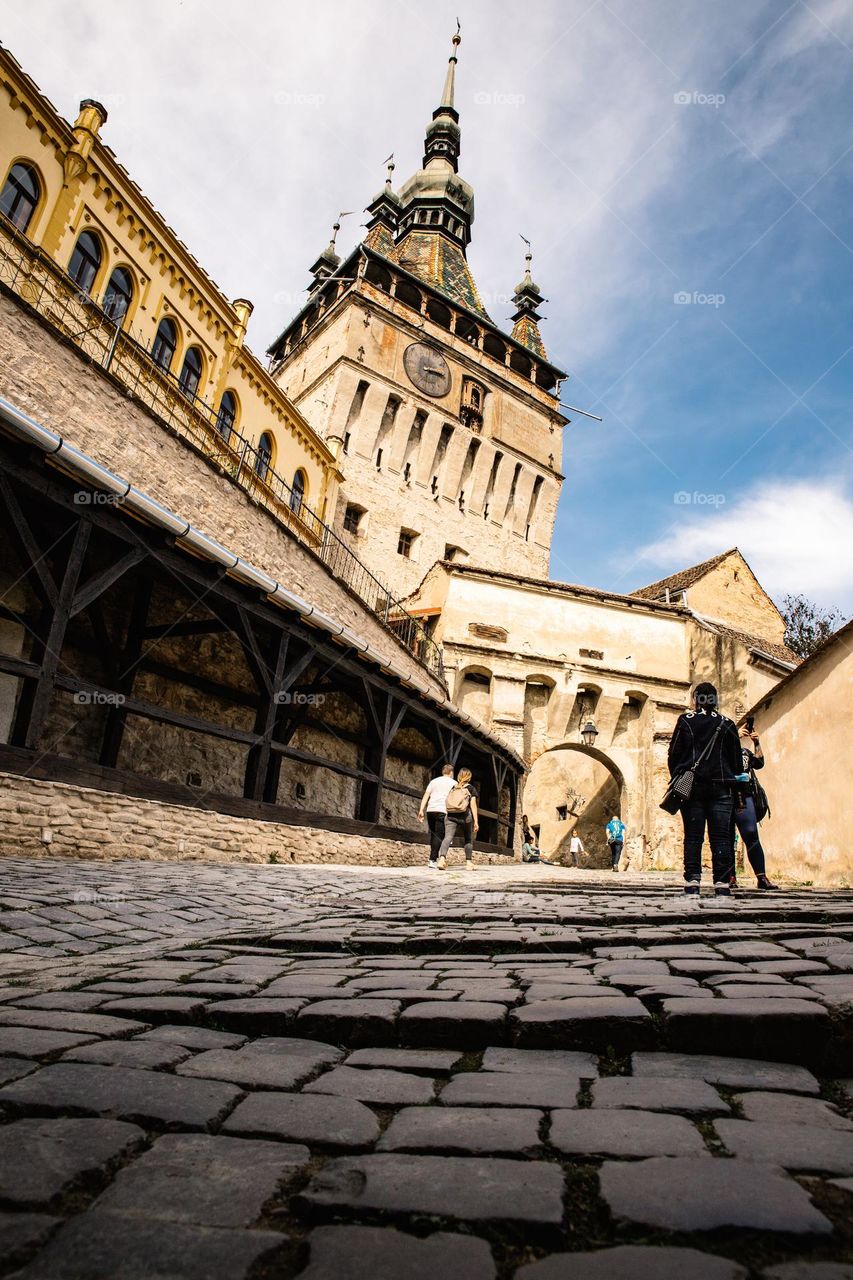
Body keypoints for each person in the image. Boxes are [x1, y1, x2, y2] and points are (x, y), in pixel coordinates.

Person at [668, 681, 743, 897]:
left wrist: (681, 774)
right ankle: (722, 882)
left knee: (693, 836)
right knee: (721, 837)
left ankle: (693, 881)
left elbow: (674, 755)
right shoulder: (727, 724)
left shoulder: (685, 721)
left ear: (696, 699)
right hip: (721, 789)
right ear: (715, 700)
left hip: (692, 789)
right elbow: (737, 763)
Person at [729, 722, 778, 891]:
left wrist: (757, 742)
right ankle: (729, 877)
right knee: (726, 838)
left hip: (744, 795)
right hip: (724, 796)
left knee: (751, 833)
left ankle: (761, 877)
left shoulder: (745, 752)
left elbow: (760, 763)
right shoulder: (722, 749)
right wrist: (734, 735)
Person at [435, 767, 479, 869]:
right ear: (469, 777)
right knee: (468, 839)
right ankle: (468, 863)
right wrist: (476, 821)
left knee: (447, 838)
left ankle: (441, 860)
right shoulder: (471, 788)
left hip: (451, 815)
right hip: (465, 816)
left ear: (459, 776)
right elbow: (473, 805)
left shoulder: (454, 787)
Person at [417, 764, 455, 869]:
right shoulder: (454, 783)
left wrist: (421, 810)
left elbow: (426, 795)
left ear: (443, 772)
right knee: (439, 836)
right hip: (443, 810)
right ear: (451, 773)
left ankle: (433, 858)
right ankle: (433, 860)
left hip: (431, 810)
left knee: (434, 835)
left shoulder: (434, 781)